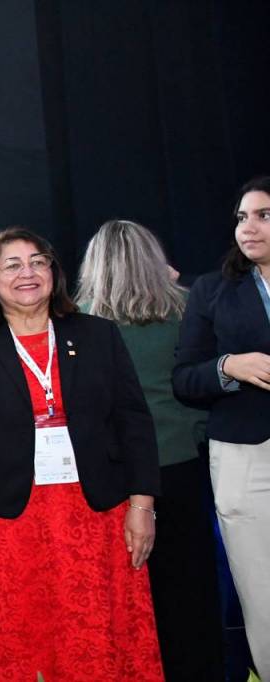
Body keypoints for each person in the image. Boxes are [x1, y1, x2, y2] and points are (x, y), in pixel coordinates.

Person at [0, 226, 163, 681]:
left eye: (38, 262)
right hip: (10, 520)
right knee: (21, 636)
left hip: (97, 513)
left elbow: (134, 423)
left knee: (99, 631)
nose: (28, 273)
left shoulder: (97, 335)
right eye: (12, 265)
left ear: (54, 273)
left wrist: (143, 506)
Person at [77, 219, 223, 681]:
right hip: (183, 463)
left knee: (129, 593)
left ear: (95, 264)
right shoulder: (187, 309)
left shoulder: (79, 323)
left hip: (115, 473)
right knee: (193, 587)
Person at [173, 176, 270, 679]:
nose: (248, 228)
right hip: (245, 455)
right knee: (262, 597)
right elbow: (185, 378)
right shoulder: (212, 290)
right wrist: (229, 367)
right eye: (241, 217)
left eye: (263, 216)